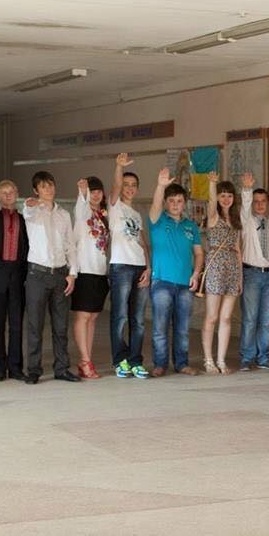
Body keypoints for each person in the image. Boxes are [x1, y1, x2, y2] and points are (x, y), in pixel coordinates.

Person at [22, 170, 80, 384]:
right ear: (36, 190)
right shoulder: (32, 212)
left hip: (60, 275)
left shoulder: (64, 214)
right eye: (43, 186)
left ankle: (62, 368)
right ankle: (34, 370)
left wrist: (72, 274)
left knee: (61, 326)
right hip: (37, 274)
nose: (48, 189)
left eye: (50, 185)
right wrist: (31, 203)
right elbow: (27, 209)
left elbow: (70, 245)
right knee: (35, 325)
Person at [148, 168, 204, 377]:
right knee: (160, 326)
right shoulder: (157, 220)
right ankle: (160, 364)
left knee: (182, 328)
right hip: (161, 281)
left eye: (179, 201)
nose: (175, 204)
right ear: (165, 202)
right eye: (171, 201)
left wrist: (196, 274)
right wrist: (161, 186)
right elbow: (155, 205)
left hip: (184, 284)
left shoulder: (191, 226)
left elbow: (199, 253)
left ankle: (182, 364)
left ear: (184, 203)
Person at [0, 163, 29, 382]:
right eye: (3, 193)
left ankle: (16, 368)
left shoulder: (25, 219)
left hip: (18, 273)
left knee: (17, 323)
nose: (8, 195)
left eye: (11, 192)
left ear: (17, 194)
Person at [108, 153, 151, 379]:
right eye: (126, 184)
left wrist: (148, 268)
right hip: (121, 267)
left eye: (133, 185)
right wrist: (119, 167)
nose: (129, 188)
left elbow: (143, 243)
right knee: (120, 317)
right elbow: (115, 186)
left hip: (139, 268)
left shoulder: (136, 214)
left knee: (138, 320)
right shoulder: (115, 207)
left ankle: (135, 361)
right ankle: (120, 360)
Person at [238, 172, 269, 371]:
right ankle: (247, 358)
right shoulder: (247, 222)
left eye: (263, 201)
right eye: (256, 201)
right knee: (250, 318)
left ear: (268, 203)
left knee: (267, 319)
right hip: (252, 274)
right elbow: (245, 207)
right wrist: (247, 189)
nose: (260, 205)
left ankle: (263, 357)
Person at [202, 172, 243, 374]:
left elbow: (238, 248)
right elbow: (211, 203)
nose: (226, 199)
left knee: (226, 318)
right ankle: (208, 359)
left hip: (232, 267)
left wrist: (240, 277)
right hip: (216, 267)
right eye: (222, 195)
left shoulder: (235, 219)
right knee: (212, 316)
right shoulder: (213, 217)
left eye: (229, 195)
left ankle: (221, 359)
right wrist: (212, 184)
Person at [71, 176, 109, 379]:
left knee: (93, 317)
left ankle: (86, 359)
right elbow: (82, 207)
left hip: (100, 271)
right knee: (83, 316)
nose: (95, 194)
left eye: (98, 191)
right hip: (84, 271)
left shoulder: (103, 215)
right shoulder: (82, 211)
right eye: (91, 191)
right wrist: (82, 191)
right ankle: (85, 361)